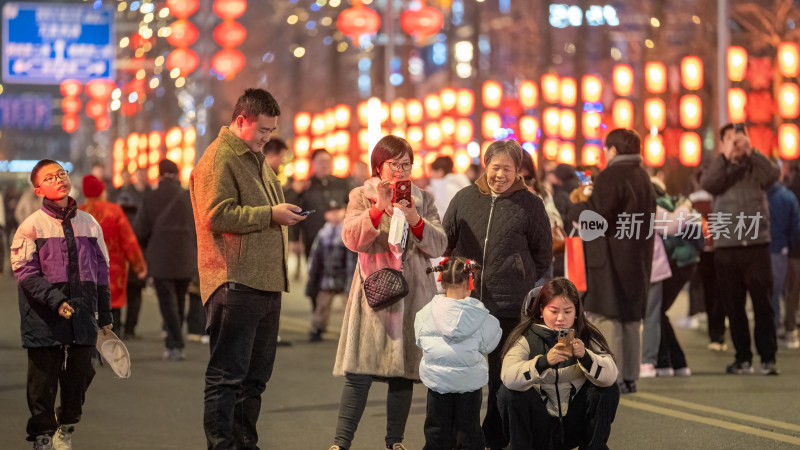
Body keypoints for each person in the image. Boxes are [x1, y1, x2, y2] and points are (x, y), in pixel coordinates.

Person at [190, 88, 306, 449]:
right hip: (235, 280)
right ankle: (222, 444)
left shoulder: (253, 156)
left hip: (265, 282)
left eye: (271, 131)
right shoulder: (220, 158)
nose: (267, 138)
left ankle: (245, 443)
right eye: (262, 130)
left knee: (255, 379)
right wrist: (271, 214)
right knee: (227, 376)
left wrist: (280, 211)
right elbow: (216, 215)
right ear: (241, 120)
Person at [329, 135, 447, 450]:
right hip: (374, 295)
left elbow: (439, 244)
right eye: (393, 164)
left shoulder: (424, 199)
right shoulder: (361, 195)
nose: (399, 170)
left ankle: (395, 442)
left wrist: (415, 219)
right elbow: (352, 239)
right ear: (379, 166)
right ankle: (341, 443)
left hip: (412, 296)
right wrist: (378, 210)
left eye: (406, 164)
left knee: (403, 373)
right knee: (359, 373)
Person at [442, 139, 552, 449]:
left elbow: (542, 254)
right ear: (485, 167)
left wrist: (522, 275)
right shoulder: (464, 198)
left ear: (518, 172)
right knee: (464, 373)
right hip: (466, 302)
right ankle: (463, 437)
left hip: (508, 304)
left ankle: (495, 436)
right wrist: (454, 277)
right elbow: (445, 243)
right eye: (495, 167)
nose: (499, 175)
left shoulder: (531, 204)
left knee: (500, 375)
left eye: (507, 169)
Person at [10, 160, 113, 450]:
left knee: (81, 374)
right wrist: (56, 301)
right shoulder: (30, 226)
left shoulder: (89, 224)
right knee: (42, 381)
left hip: (82, 314)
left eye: (61, 174)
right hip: (42, 316)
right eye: (49, 177)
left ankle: (66, 425)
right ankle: (43, 435)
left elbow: (102, 270)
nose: (58, 180)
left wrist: (104, 313)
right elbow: (25, 274)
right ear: (38, 188)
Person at [568, 129, 656, 394]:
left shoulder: (611, 176)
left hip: (612, 258)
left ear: (613, 151)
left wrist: (575, 208)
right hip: (639, 256)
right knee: (631, 318)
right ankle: (630, 377)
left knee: (610, 316)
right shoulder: (643, 177)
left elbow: (595, 216)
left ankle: (613, 377)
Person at [498, 277, 619, 450]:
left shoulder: (586, 335)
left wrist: (585, 356)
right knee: (509, 392)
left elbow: (611, 376)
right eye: (553, 311)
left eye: (568, 311)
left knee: (607, 388)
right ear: (541, 310)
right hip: (541, 429)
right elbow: (508, 377)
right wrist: (543, 362)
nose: (560, 318)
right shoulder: (525, 337)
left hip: (573, 427)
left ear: (576, 312)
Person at [701, 123, 780, 375]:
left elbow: (773, 175)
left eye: (740, 139)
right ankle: (743, 358)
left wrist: (751, 151)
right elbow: (709, 183)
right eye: (730, 140)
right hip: (727, 246)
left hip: (757, 244)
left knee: (763, 305)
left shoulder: (756, 166)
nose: (736, 143)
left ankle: (768, 358)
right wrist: (725, 156)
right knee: (734, 306)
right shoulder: (719, 168)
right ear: (723, 143)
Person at [415, 257, 502, 450]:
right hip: (469, 385)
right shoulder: (481, 317)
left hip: (437, 383)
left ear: (442, 282)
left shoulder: (424, 314)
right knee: (469, 431)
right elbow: (491, 343)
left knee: (436, 431)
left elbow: (420, 340)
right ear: (470, 283)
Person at [135, 159, 198, 362]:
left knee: (167, 301)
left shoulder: (151, 197)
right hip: (186, 256)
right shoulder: (189, 197)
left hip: (161, 257)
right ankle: (175, 340)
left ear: (159, 174)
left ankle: (175, 343)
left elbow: (140, 230)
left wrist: (147, 250)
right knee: (180, 299)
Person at [79, 175, 147, 333]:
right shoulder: (114, 211)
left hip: (84, 270)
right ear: (102, 192)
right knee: (112, 307)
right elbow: (128, 241)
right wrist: (138, 265)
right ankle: (111, 345)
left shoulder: (77, 213)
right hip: (112, 271)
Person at [306, 200, 356, 342]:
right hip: (326, 277)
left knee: (349, 307)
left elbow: (351, 260)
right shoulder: (323, 234)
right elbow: (315, 257)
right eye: (331, 212)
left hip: (344, 277)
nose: (334, 215)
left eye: (337, 211)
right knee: (322, 305)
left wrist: (350, 281)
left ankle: (352, 332)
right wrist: (312, 277)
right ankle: (318, 328)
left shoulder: (347, 231)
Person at [116, 168, 150, 339]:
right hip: (137, 252)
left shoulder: (120, 212)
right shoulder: (147, 198)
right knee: (134, 293)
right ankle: (129, 328)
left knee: (123, 293)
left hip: (122, 256)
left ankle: (120, 328)